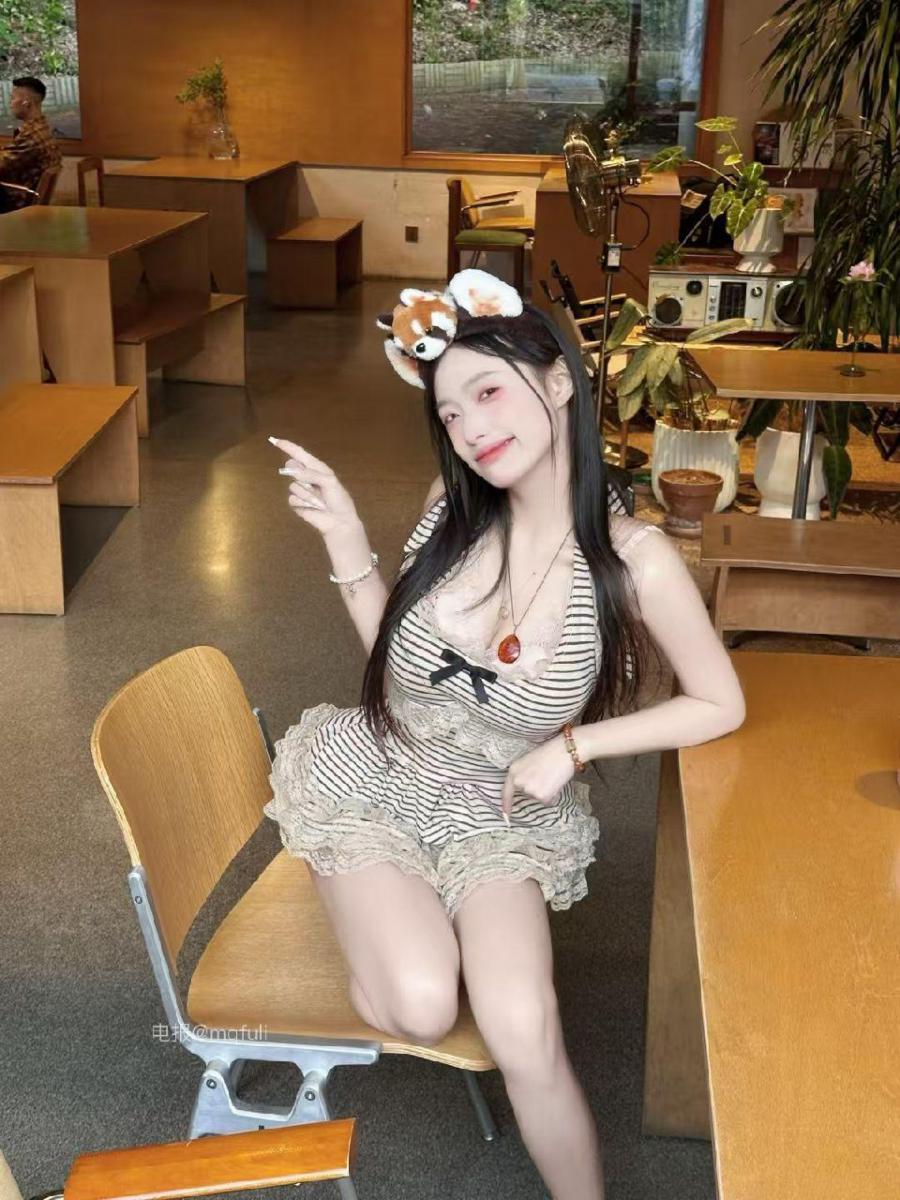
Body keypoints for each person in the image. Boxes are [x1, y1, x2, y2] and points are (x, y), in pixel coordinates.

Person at [267, 268, 745, 1200]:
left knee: (523, 1027)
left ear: (557, 381)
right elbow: (396, 670)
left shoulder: (634, 562)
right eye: (450, 414)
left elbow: (719, 702)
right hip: (377, 778)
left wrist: (571, 748)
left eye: (488, 392)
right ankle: (364, 891)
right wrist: (345, 538)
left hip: (499, 813)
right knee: (420, 1002)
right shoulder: (450, 513)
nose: (471, 429)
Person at [0, 76, 62, 213]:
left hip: (17, 204)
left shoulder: (30, 137)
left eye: (13, 98)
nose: (10, 103)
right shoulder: (43, 129)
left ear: (26, 102)